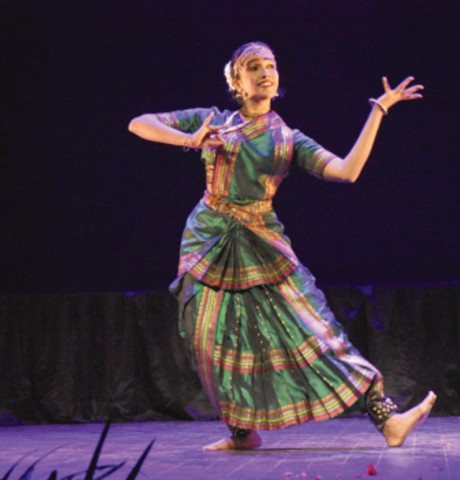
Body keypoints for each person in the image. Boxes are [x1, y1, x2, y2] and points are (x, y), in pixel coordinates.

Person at [128, 41, 436, 451]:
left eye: (270, 66)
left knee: (313, 330)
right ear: (237, 82)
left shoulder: (288, 139)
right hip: (207, 240)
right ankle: (241, 433)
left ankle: (386, 417)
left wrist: (378, 111)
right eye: (253, 66)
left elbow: (347, 171)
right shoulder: (212, 120)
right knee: (213, 338)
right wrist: (190, 139)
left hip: (261, 243)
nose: (265, 73)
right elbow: (139, 123)